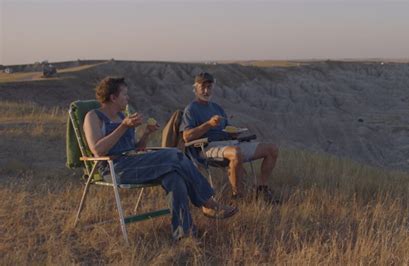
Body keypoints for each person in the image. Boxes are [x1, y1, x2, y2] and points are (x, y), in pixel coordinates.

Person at [83, 76, 237, 240]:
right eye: (124, 94)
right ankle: (208, 203)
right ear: (113, 97)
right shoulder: (94, 117)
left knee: (174, 177)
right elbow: (98, 150)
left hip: (134, 162)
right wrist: (123, 127)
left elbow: (135, 148)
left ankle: (184, 233)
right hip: (115, 168)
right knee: (175, 154)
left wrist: (147, 133)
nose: (127, 98)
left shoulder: (122, 117)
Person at [181, 72, 280, 203]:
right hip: (206, 147)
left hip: (229, 143)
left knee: (272, 149)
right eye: (202, 87)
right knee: (235, 152)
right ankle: (237, 196)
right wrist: (208, 124)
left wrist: (234, 133)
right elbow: (187, 137)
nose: (206, 90)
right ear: (195, 88)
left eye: (209, 87)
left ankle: (261, 189)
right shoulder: (191, 109)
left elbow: (226, 129)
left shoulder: (217, 108)